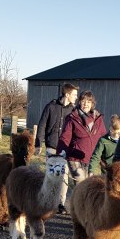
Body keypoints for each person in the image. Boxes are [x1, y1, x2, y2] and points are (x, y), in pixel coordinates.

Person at [35, 83, 79, 214]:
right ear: (67, 94)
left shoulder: (74, 111)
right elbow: (42, 125)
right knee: (50, 175)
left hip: (65, 149)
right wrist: (38, 144)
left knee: (63, 176)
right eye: (74, 95)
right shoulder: (50, 107)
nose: (76, 98)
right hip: (51, 147)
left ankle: (60, 203)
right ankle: (48, 200)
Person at [56, 90, 107, 197]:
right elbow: (65, 137)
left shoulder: (98, 119)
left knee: (89, 187)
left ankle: (82, 210)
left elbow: (103, 138)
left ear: (92, 104)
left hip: (91, 159)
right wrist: (60, 153)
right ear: (79, 102)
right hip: (75, 158)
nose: (85, 104)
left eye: (88, 101)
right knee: (81, 185)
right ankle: (77, 210)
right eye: (83, 101)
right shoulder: (72, 118)